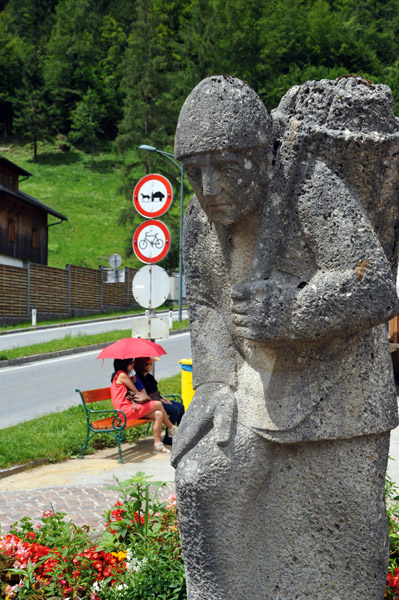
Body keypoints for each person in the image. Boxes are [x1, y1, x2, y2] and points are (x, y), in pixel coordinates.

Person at [171, 75, 399, 599]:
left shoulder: (308, 186)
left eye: (226, 168)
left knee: (337, 557)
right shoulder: (199, 222)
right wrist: (211, 383)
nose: (209, 189)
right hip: (251, 391)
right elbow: (205, 303)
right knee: (204, 480)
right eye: (195, 171)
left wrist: (294, 309)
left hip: (337, 398)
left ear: (259, 155)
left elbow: (375, 286)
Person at [110, 358, 177, 454]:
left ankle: (157, 445)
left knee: (158, 414)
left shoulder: (121, 375)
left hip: (129, 408)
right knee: (158, 404)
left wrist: (132, 380)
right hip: (125, 411)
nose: (133, 364)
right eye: (131, 362)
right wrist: (133, 381)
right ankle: (171, 428)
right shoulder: (122, 375)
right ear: (125, 364)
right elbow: (135, 391)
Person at [134, 357, 185, 445]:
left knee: (180, 406)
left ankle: (180, 433)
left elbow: (155, 392)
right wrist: (161, 400)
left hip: (157, 400)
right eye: (149, 364)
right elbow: (144, 396)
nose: (152, 365)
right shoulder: (138, 378)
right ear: (143, 365)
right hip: (150, 404)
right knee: (175, 410)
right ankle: (168, 438)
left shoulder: (149, 377)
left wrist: (163, 399)